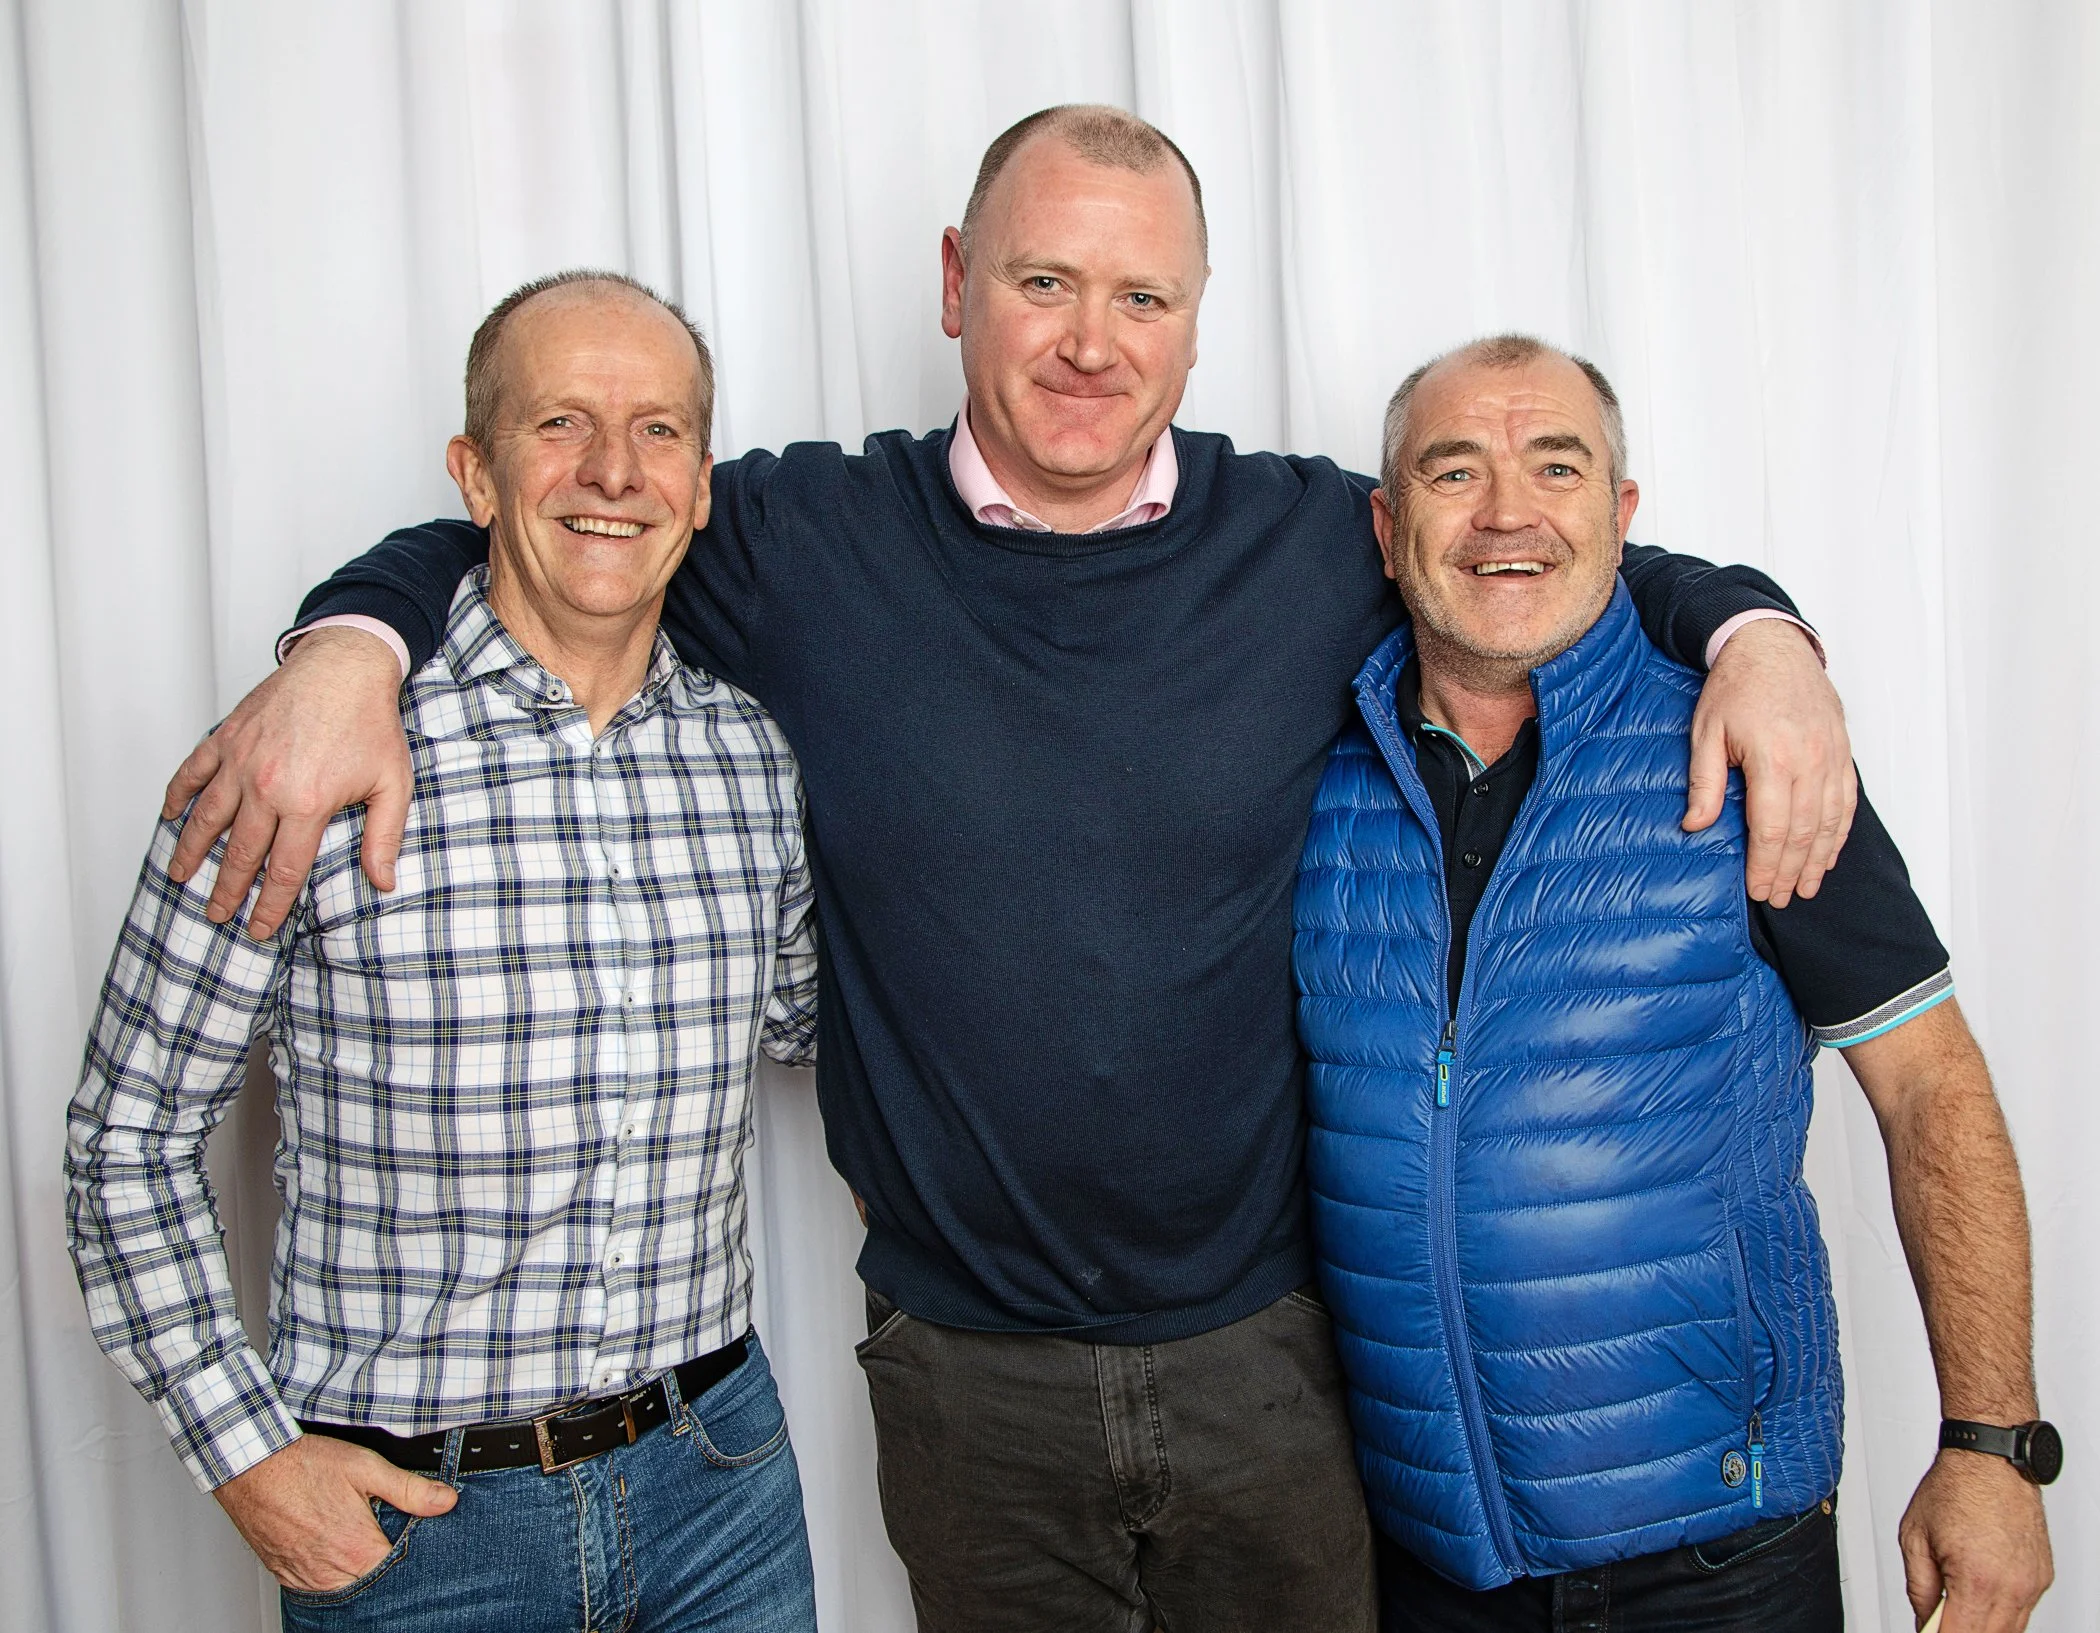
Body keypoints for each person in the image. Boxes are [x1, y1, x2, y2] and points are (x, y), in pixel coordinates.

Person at [162, 107, 1857, 1633]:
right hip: (966, 1378)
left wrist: (1759, 632)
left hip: (1270, 1353)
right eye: (1046, 282)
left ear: (1196, 318)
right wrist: (350, 643)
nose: (1091, 344)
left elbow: (1522, 551)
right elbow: (557, 520)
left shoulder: (1306, 540)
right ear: (956, 284)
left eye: (1142, 297)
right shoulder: (804, 539)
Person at [66, 273, 821, 1632]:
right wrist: (247, 1458)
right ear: (474, 472)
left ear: (702, 489)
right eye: (560, 423)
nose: (613, 471)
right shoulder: (307, 757)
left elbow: (813, 1027)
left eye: (658, 431)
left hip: (721, 1491)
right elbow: (127, 1141)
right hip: (423, 1535)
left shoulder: (751, 757)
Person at [1295, 335, 2057, 1632]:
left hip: (1719, 1566)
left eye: (1557, 467)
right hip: (1431, 1562)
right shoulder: (1316, 775)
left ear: (1622, 514)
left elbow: (1930, 1086)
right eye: (1454, 471)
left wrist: (1993, 1445)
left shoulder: (1754, 754)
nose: (1507, 513)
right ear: (1385, 525)